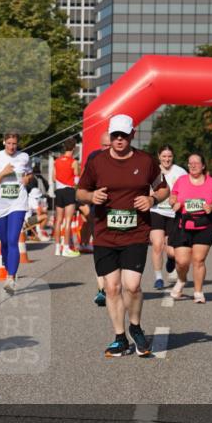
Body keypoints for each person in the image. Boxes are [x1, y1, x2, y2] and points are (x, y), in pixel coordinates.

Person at [77, 115, 168, 357]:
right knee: (112, 288)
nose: (119, 139)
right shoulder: (97, 162)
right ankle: (119, 338)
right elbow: (80, 192)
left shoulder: (145, 161)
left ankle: (135, 327)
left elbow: (163, 188)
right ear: (110, 135)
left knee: (133, 285)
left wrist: (152, 199)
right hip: (106, 235)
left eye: (124, 135)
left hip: (136, 232)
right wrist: (91, 197)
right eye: (115, 135)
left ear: (132, 135)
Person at [168, 153, 212, 303]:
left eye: (196, 163)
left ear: (203, 166)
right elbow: (172, 197)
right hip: (183, 224)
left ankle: (198, 292)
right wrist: (174, 203)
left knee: (198, 260)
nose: (193, 165)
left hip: (204, 224)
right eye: (190, 163)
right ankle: (181, 280)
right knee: (181, 261)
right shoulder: (181, 181)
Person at [0, 131, 32, 294]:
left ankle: (11, 277)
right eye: (9, 143)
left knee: (13, 240)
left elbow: (29, 172)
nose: (12, 146)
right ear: (4, 142)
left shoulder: (24, 157)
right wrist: (3, 173)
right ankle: (8, 264)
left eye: (14, 144)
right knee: (4, 242)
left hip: (18, 203)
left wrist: (27, 179)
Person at [148, 145, 187, 290]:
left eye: (169, 156)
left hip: (174, 214)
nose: (167, 159)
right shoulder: (153, 171)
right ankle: (158, 278)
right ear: (159, 156)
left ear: (173, 157)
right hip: (156, 211)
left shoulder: (180, 172)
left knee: (172, 251)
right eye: (164, 156)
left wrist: (179, 202)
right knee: (157, 244)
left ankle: (171, 259)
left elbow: (187, 190)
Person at [83, 132, 112, 306]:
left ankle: (114, 286)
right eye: (104, 146)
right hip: (98, 212)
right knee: (101, 250)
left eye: (109, 146)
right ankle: (102, 289)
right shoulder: (94, 158)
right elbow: (85, 184)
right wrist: (87, 199)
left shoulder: (126, 158)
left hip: (120, 213)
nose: (107, 149)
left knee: (118, 251)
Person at [52, 139, 81, 257]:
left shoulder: (56, 161)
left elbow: (54, 178)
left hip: (58, 191)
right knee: (68, 220)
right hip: (69, 191)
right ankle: (66, 247)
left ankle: (57, 248)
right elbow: (77, 179)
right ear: (73, 148)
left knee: (58, 221)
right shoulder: (74, 162)